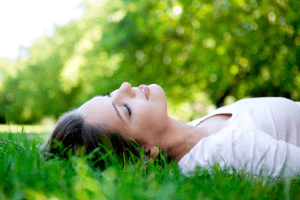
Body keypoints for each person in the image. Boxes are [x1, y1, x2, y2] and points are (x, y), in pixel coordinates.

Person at [41, 82, 300, 178]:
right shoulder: (226, 152)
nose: (125, 86)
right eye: (125, 109)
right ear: (146, 155)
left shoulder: (198, 129)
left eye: (111, 94)